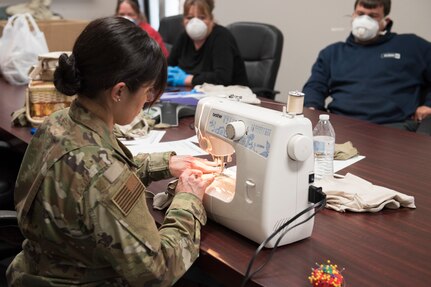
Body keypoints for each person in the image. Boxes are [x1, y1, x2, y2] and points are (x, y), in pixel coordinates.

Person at [6, 16, 219, 286]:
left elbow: (85, 175)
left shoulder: (58, 122)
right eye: (147, 91)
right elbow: (157, 272)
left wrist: (165, 163)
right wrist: (187, 200)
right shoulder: (104, 174)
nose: (147, 101)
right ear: (119, 91)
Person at [303, 0, 431, 133]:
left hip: (391, 129)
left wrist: (429, 105)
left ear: (385, 22)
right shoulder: (332, 52)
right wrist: (311, 108)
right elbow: (314, 87)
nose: (364, 19)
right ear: (353, 16)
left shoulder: (410, 46)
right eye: (360, 13)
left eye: (373, 15)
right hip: (341, 124)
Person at [167, 0, 248, 87]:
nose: (195, 23)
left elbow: (222, 78)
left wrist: (189, 79)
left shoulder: (222, 36)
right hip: (189, 93)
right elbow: (168, 66)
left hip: (228, 96)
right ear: (183, 20)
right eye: (190, 18)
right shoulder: (184, 37)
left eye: (201, 18)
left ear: (211, 19)